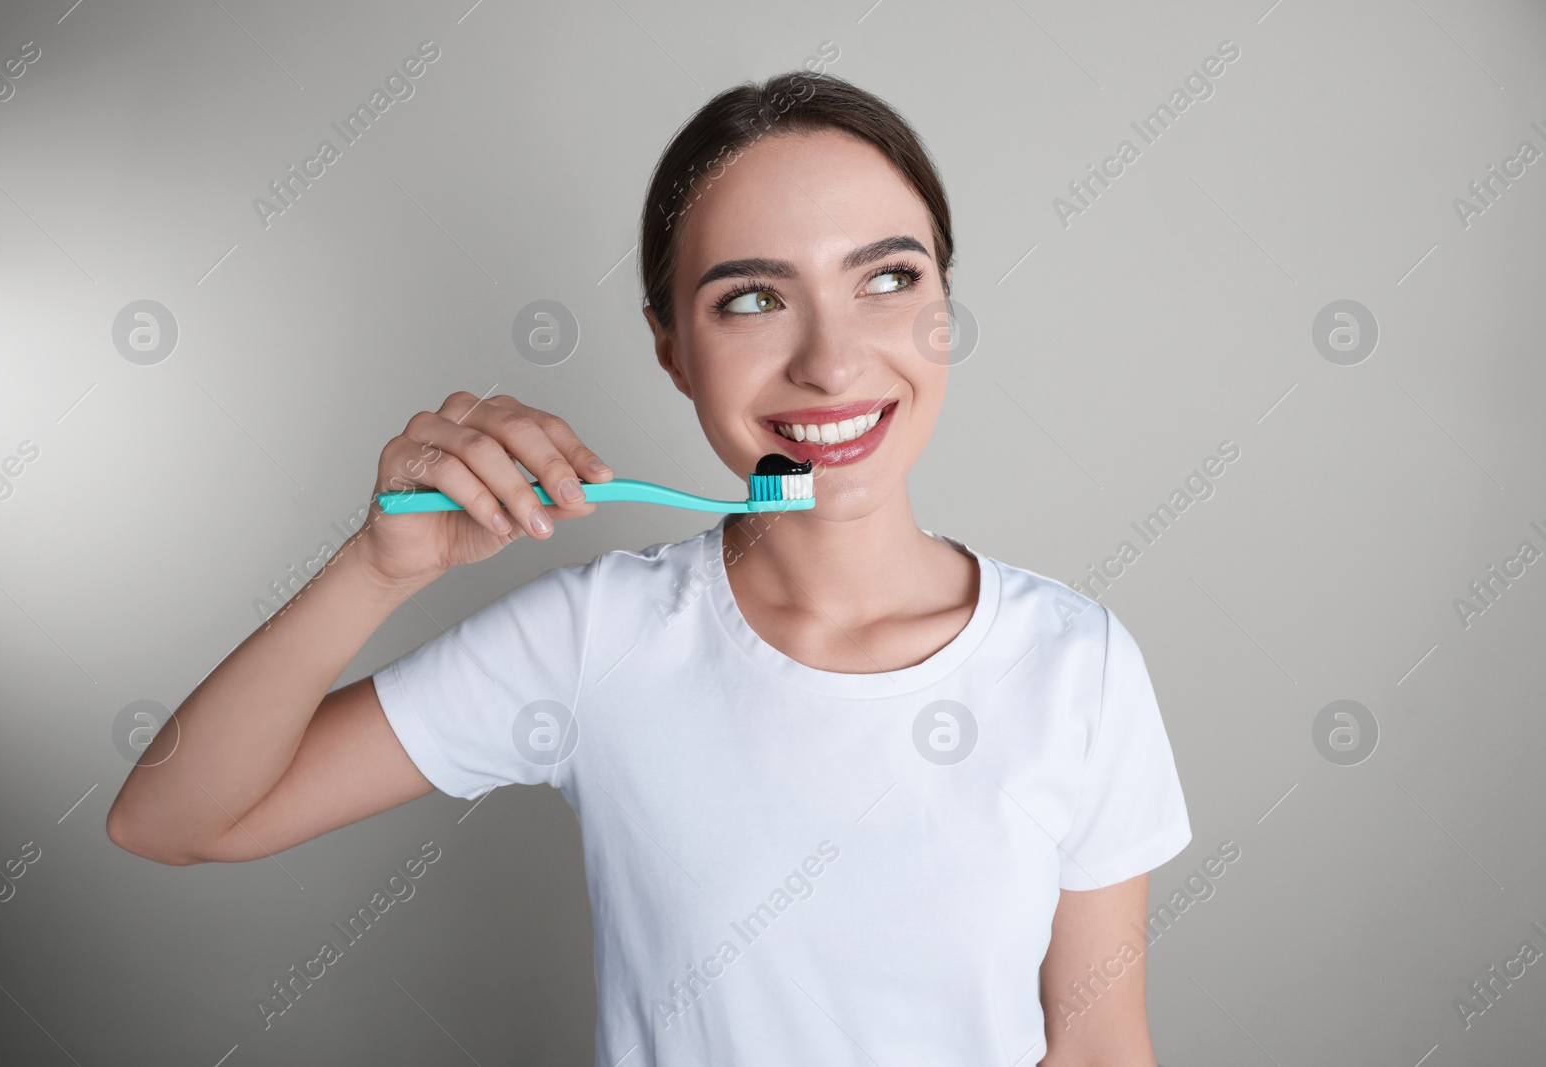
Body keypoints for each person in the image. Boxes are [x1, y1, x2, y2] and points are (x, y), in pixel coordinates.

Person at [107, 70, 1192, 1066]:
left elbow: (1098, 1044)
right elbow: (173, 817)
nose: (831, 360)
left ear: (942, 304)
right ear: (670, 344)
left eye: (887, 277)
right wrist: (378, 566)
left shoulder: (1076, 663)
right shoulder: (599, 639)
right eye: (753, 298)